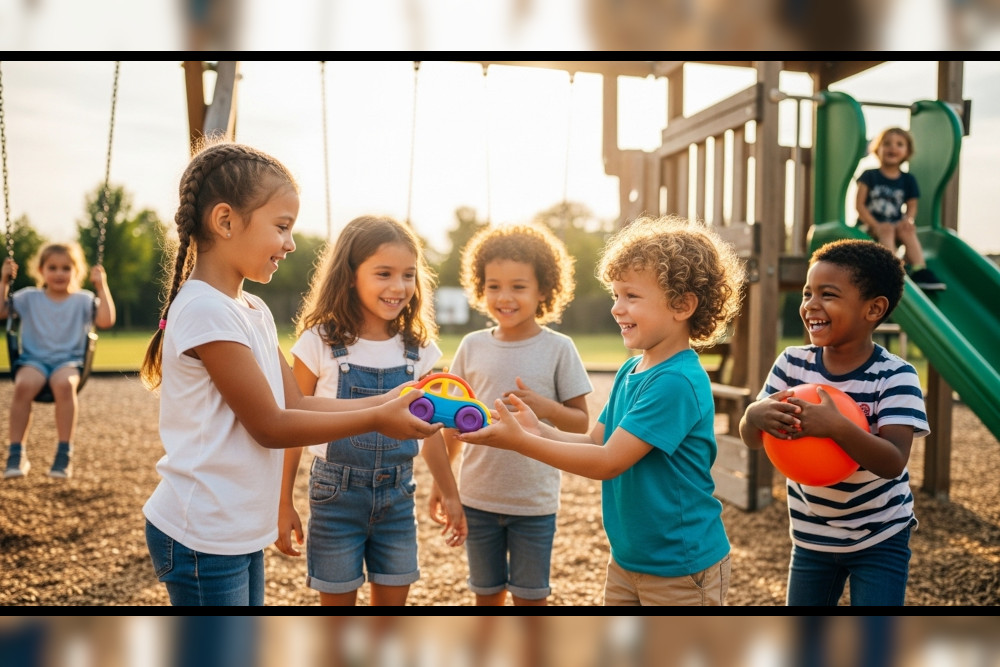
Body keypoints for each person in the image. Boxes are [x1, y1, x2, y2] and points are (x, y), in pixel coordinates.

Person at [139, 140, 441, 606]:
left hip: (234, 527)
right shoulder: (205, 309)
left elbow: (296, 403)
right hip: (202, 532)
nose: (291, 242)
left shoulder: (251, 308)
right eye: (281, 226)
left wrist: (388, 398)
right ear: (225, 221)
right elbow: (270, 426)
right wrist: (379, 418)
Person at [458, 215, 745, 606]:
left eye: (631, 296)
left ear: (682, 304)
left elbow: (608, 462)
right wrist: (539, 430)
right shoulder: (633, 368)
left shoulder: (675, 381)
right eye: (615, 295)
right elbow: (596, 439)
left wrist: (522, 443)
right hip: (629, 559)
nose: (616, 308)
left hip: (681, 566)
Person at [273, 215, 466, 606]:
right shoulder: (319, 343)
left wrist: (450, 493)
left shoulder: (419, 350)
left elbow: (430, 432)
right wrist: (281, 502)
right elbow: (292, 426)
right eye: (384, 273)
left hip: (398, 497)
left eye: (408, 275)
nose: (399, 287)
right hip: (334, 498)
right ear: (349, 275)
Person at [739, 238, 929, 606]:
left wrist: (837, 427)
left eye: (827, 294)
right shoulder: (793, 364)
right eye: (807, 293)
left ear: (873, 309)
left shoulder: (895, 376)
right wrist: (752, 415)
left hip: (880, 535)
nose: (811, 305)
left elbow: (892, 462)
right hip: (812, 535)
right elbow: (754, 438)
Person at [423, 222, 593, 607]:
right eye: (494, 286)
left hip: (533, 502)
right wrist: (443, 482)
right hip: (478, 497)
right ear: (480, 288)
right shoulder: (471, 346)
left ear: (543, 290)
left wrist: (546, 408)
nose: (505, 296)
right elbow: (451, 421)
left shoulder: (559, 349)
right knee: (486, 597)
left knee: (531, 599)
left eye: (518, 286)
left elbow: (581, 422)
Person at [1, 242, 116, 480]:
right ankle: (16, 453)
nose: (59, 273)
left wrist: (101, 286)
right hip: (34, 361)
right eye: (52, 267)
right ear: (41, 270)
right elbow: (1, 312)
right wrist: (3, 282)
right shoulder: (28, 297)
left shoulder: (83, 300)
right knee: (23, 386)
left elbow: (105, 320)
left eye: (66, 268)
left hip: (68, 362)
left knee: (65, 385)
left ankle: (64, 454)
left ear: (77, 271)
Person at [855, 126, 945, 291]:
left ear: (907, 152)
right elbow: (860, 205)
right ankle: (894, 268)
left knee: (907, 229)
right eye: (887, 143)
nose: (892, 148)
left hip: (895, 224)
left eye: (899, 144)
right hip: (869, 226)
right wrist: (875, 225)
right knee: (887, 229)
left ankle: (919, 270)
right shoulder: (869, 175)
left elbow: (912, 206)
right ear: (877, 149)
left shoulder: (908, 179)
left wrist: (907, 220)